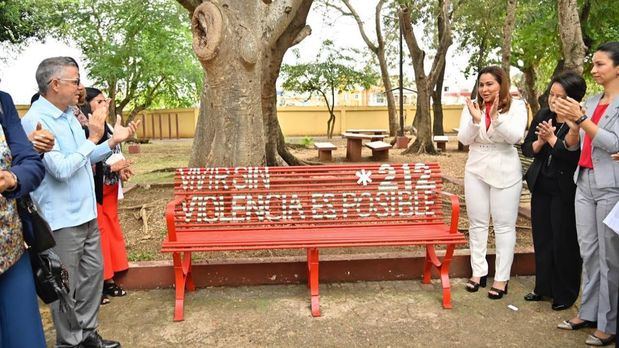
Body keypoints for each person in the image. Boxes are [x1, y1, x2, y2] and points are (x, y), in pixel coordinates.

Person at [21, 56, 138, 348]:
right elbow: (60, 169)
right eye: (75, 81)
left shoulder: (69, 115)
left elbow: (83, 158)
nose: (79, 87)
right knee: (65, 287)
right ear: (55, 84)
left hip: (85, 214)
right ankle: (70, 342)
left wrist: (110, 143)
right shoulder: (36, 122)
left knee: (91, 279)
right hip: (60, 220)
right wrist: (95, 136)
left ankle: (87, 334)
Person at [555, 42, 619, 346]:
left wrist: (581, 120)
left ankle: (608, 323)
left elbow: (612, 144)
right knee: (589, 252)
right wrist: (570, 126)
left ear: (618, 68)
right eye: (593, 64)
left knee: (609, 257)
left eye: (600, 64)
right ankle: (588, 311)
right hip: (584, 181)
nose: (593, 70)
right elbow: (573, 146)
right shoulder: (591, 101)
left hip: (611, 185)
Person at [457, 66, 528, 299]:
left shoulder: (517, 106)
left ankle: (501, 278)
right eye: (481, 84)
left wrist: (495, 120)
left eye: (490, 84)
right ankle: (478, 272)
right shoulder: (472, 107)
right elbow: (464, 139)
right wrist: (476, 121)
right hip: (476, 167)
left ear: (502, 84)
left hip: (505, 167)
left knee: (504, 225)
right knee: (477, 223)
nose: (485, 89)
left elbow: (516, 136)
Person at [520, 72, 586, 310]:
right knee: (543, 238)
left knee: (563, 240)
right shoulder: (543, 115)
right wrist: (539, 142)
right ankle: (543, 288)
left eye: (560, 96)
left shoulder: (580, 121)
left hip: (564, 189)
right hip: (541, 186)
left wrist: (550, 139)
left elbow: (569, 157)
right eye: (552, 95)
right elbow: (527, 148)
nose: (554, 100)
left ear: (573, 99)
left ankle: (565, 294)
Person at [0, 89, 47, 348]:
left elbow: (30, 162)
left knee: (25, 338)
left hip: (10, 249)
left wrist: (12, 178)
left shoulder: (2, 102)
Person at [81, 87, 133, 305]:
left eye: (106, 101)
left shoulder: (109, 127)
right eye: (99, 101)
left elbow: (114, 153)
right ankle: (101, 282)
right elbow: (84, 159)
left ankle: (112, 277)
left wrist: (121, 168)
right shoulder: (85, 129)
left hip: (110, 187)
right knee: (99, 234)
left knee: (111, 229)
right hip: (95, 190)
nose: (105, 104)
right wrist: (109, 168)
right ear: (88, 105)